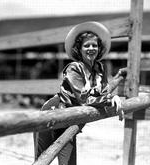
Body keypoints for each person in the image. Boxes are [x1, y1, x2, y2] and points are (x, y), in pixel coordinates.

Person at [34, 21, 127, 165]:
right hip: (55, 111)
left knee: (68, 162)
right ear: (79, 49)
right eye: (86, 45)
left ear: (99, 48)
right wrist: (110, 99)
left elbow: (101, 92)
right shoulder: (74, 68)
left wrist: (114, 88)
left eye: (94, 45)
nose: (91, 48)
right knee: (41, 158)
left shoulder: (100, 68)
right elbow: (85, 99)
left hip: (73, 115)